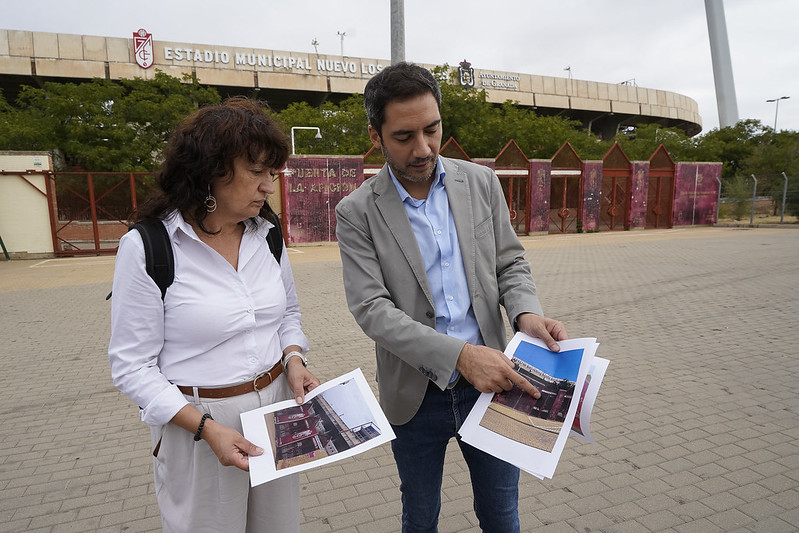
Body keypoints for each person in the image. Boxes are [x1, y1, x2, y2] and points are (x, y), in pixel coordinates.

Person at [335, 62, 567, 532]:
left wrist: (525, 313)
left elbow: (510, 262)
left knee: (502, 515)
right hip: (414, 395)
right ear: (375, 134)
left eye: (432, 129)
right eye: (403, 136)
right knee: (420, 517)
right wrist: (460, 356)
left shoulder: (479, 183)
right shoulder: (356, 211)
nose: (422, 149)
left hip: (496, 383)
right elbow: (372, 310)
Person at [108, 97, 319, 533]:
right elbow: (131, 367)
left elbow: (287, 314)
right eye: (257, 172)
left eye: (272, 173)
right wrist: (206, 428)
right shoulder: (150, 247)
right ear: (211, 171)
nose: (268, 187)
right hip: (198, 424)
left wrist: (294, 359)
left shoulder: (268, 233)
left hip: (277, 411)